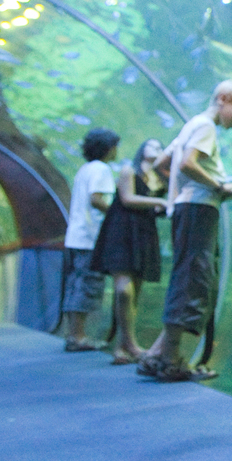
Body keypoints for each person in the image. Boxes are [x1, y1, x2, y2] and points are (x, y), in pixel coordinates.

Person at [138, 79, 232, 382]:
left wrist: (179, 190)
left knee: (185, 275)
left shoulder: (191, 125)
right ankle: (171, 360)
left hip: (185, 207)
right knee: (192, 278)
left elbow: (163, 163)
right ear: (225, 98)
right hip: (199, 208)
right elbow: (188, 164)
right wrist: (218, 186)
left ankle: (156, 354)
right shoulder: (206, 126)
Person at [90, 138, 169, 365]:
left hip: (144, 232)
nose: (157, 149)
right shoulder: (129, 170)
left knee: (135, 289)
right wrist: (160, 203)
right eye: (152, 145)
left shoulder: (161, 177)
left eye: (160, 146)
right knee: (124, 289)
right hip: (122, 229)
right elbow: (127, 198)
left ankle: (121, 347)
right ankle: (131, 344)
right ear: (142, 149)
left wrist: (161, 206)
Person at [61, 127, 119, 352]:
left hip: (75, 237)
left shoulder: (84, 169)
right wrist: (116, 215)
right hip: (90, 238)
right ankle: (79, 336)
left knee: (75, 285)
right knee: (87, 286)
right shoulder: (101, 169)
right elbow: (96, 199)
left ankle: (73, 335)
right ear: (108, 148)